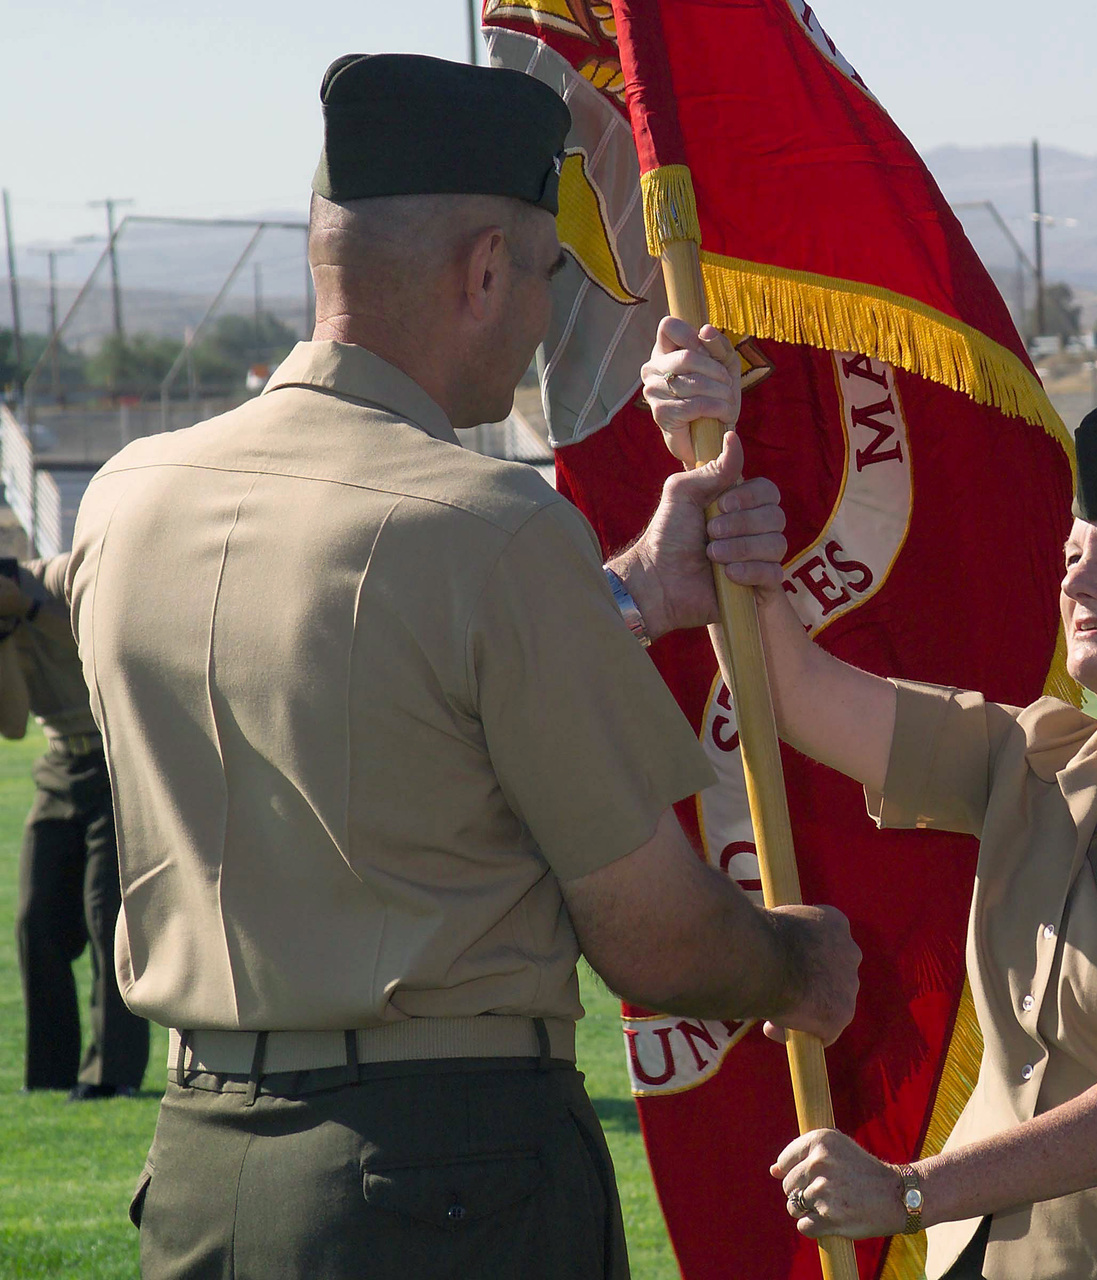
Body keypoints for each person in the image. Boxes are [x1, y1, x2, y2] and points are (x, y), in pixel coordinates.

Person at [65, 54, 858, 1280]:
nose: (543, 319)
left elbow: (341, 664)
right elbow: (655, 940)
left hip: (201, 1166)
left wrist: (630, 592)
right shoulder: (492, 526)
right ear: (486, 268)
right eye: (544, 275)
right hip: (446, 1174)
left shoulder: (127, 500)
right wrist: (798, 961)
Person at [644, 321, 1097, 1280]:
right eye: (1072, 555)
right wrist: (708, 461)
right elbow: (792, 693)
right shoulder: (1028, 756)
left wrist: (909, 1191)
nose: (1080, 582)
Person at [4, 554, 148, 1099]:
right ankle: (49, 1076)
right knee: (35, 920)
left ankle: (111, 1076)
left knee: (106, 915)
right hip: (59, 767)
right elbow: (14, 724)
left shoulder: (61, 577)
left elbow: (103, 642)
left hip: (118, 764)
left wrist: (33, 610)